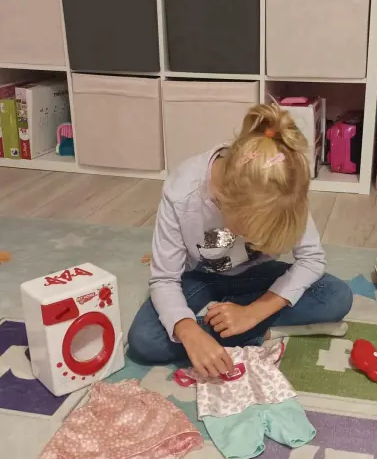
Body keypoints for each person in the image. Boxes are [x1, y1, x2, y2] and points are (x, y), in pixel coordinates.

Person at [128, 104, 354, 377]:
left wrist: (253, 313)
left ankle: (235, 324)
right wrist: (188, 331)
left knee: (336, 296)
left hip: (258, 278)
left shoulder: (283, 181)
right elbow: (164, 279)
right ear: (225, 204)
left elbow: (311, 259)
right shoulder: (183, 192)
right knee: (145, 340)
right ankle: (243, 328)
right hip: (201, 277)